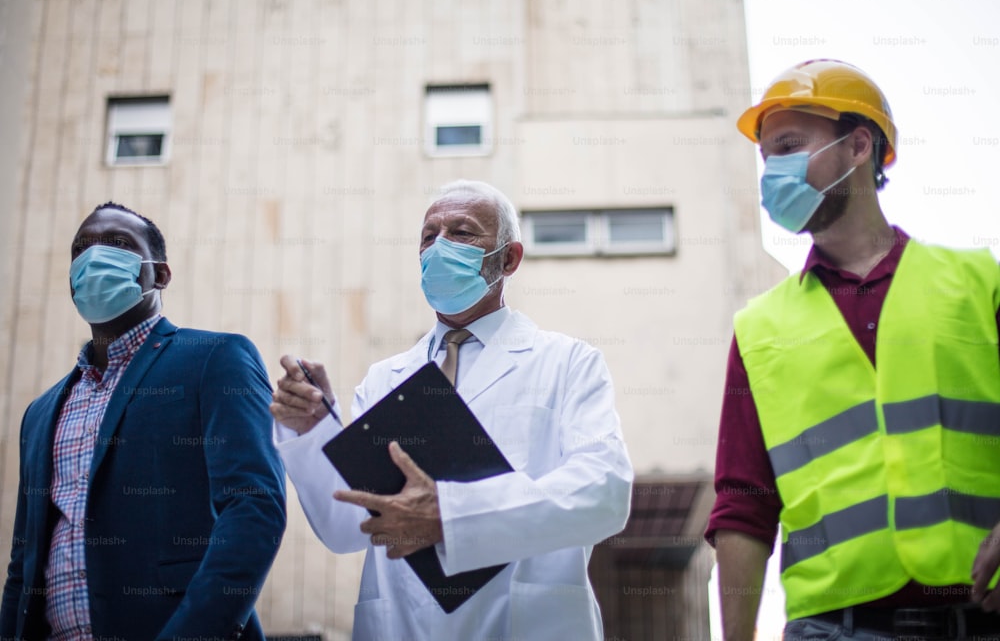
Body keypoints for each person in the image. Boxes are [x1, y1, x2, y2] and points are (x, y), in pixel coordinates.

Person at [705, 58, 1000, 641]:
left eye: (789, 145)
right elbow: (743, 504)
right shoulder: (758, 328)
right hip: (831, 626)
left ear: (859, 145)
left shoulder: (978, 281)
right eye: (767, 157)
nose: (773, 172)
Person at [270, 179, 633, 640]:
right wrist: (314, 431)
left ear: (508, 259)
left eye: (462, 233)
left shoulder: (567, 363)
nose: (439, 247)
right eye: (428, 236)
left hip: (525, 625)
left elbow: (603, 493)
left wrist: (452, 515)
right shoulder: (385, 379)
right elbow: (347, 527)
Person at [1, 203, 287, 640]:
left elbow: (254, 507)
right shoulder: (39, 413)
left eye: (117, 244)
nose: (94, 257)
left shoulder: (215, 359)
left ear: (161, 275)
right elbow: (23, 564)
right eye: (81, 248)